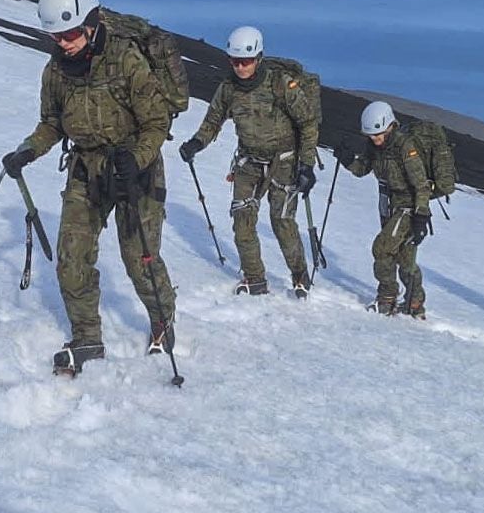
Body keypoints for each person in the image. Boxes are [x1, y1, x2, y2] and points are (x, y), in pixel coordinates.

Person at [1, 0, 177, 375]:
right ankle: (87, 338)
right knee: (72, 257)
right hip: (86, 170)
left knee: (140, 258)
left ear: (92, 22)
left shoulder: (126, 60)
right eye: (57, 37)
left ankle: (163, 322)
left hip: (137, 171)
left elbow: (156, 121)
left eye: (71, 34)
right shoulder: (56, 71)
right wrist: (27, 150)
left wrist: (137, 157)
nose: (64, 43)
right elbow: (51, 123)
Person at [178, 26, 320, 297]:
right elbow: (213, 120)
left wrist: (307, 164)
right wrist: (196, 143)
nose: (240, 67)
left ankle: (300, 275)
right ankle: (255, 278)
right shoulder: (228, 88)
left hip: (285, 162)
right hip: (248, 162)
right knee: (242, 219)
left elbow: (308, 122)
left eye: (245, 61)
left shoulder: (281, 84)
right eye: (234, 61)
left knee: (281, 221)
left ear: (259, 58)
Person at [334, 101, 434, 318]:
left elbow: (421, 184)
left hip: (409, 207)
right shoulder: (375, 147)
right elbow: (363, 169)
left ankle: (387, 297)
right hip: (389, 204)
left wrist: (421, 216)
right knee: (405, 259)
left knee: (381, 248)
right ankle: (415, 303)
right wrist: (348, 160)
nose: (375, 139)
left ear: (390, 126)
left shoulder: (405, 147)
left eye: (379, 134)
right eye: (371, 135)